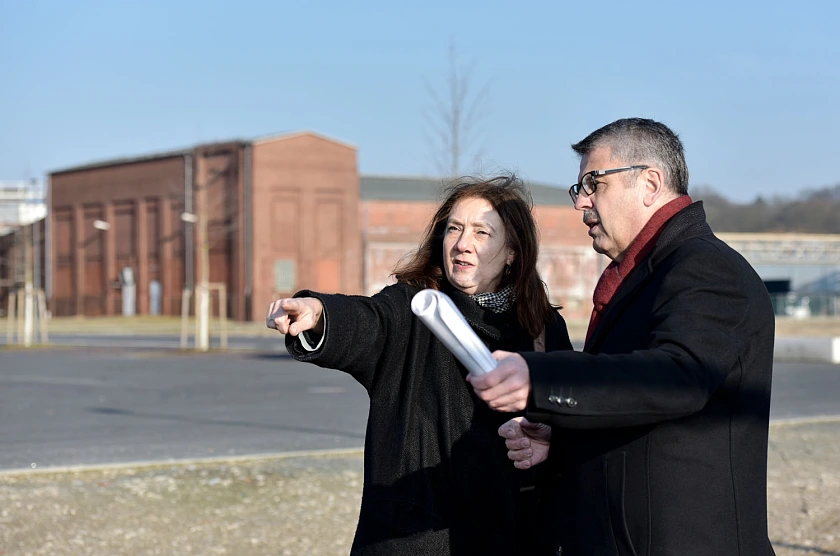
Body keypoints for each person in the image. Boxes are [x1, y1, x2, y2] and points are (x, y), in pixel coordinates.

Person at [469, 119, 777, 555]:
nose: (582, 203)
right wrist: (559, 437)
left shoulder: (706, 269)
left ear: (650, 183)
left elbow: (676, 378)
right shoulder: (644, 276)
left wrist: (541, 380)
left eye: (594, 184)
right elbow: (634, 404)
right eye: (580, 189)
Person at [266, 175, 573, 555]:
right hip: (414, 536)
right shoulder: (414, 307)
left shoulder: (543, 327)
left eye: (482, 232)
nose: (462, 243)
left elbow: (568, 418)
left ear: (512, 252)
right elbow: (369, 321)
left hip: (511, 535)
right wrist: (319, 313)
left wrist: (547, 435)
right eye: (454, 228)